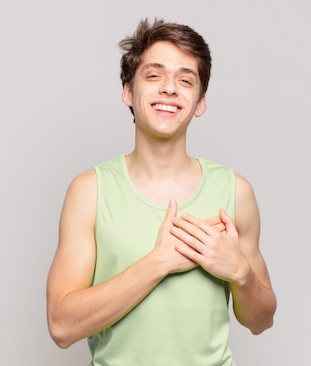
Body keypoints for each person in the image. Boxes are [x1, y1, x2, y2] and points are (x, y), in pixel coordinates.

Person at [46, 18, 276, 365]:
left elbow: (261, 320)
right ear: (128, 91)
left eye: (186, 80)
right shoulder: (90, 191)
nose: (170, 89)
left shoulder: (235, 191)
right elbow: (61, 326)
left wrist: (240, 272)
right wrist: (158, 263)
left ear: (200, 102)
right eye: (154, 75)